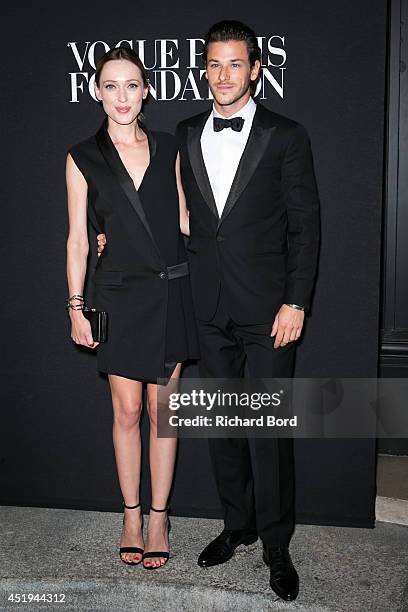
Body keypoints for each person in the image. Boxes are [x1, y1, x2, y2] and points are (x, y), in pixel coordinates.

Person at [97, 19, 320, 601]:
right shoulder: (186, 133)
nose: (224, 75)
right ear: (204, 70)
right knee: (222, 424)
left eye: (236, 64)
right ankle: (237, 525)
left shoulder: (286, 134)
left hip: (271, 309)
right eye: (215, 64)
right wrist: (106, 240)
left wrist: (297, 299)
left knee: (267, 430)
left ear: (255, 68)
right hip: (204, 305)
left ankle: (275, 544)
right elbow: (166, 213)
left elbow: (306, 226)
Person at [65, 46, 200, 570]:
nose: (122, 97)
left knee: (161, 414)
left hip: (169, 292)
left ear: (146, 91)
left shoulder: (171, 148)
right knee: (125, 412)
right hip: (117, 297)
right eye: (111, 86)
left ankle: (160, 518)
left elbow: (188, 221)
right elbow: (78, 238)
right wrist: (76, 306)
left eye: (132, 85)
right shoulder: (82, 156)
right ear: (97, 92)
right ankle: (130, 514)